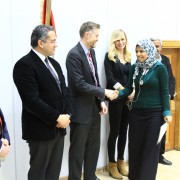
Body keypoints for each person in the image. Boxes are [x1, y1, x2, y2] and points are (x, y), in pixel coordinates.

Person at [13, 24, 71, 180]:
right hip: (41, 129)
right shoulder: (24, 65)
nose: (56, 44)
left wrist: (67, 115)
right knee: (38, 173)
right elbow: (31, 100)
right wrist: (56, 117)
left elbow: (65, 92)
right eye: (52, 41)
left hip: (59, 128)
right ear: (40, 43)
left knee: (54, 172)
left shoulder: (54, 64)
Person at [66, 21, 117, 180]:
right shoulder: (73, 55)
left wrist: (101, 100)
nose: (98, 39)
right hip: (80, 111)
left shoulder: (91, 53)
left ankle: (90, 176)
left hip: (94, 109)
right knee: (77, 150)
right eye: (96, 35)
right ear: (87, 35)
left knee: (93, 147)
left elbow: (94, 80)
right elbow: (79, 84)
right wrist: (105, 92)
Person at [117, 39, 172, 180]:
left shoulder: (159, 68)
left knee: (149, 150)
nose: (138, 54)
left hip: (154, 114)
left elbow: (164, 91)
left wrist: (166, 111)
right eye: (136, 51)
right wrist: (117, 93)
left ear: (149, 51)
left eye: (142, 51)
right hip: (136, 114)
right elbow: (129, 88)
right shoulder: (135, 67)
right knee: (135, 148)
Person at [104, 29, 133, 179]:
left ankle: (121, 162)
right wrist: (124, 90)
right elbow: (109, 78)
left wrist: (130, 91)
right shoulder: (109, 57)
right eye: (118, 40)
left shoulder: (128, 57)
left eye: (123, 39)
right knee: (114, 132)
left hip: (127, 99)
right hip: (115, 98)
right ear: (113, 41)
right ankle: (112, 164)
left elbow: (131, 77)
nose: (121, 42)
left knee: (124, 131)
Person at [150, 38, 176, 165]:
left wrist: (170, 94)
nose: (156, 49)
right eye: (154, 46)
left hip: (164, 100)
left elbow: (171, 79)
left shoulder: (165, 60)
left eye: (158, 46)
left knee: (163, 127)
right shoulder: (145, 60)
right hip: (151, 100)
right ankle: (150, 156)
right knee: (151, 129)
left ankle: (160, 155)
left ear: (161, 47)